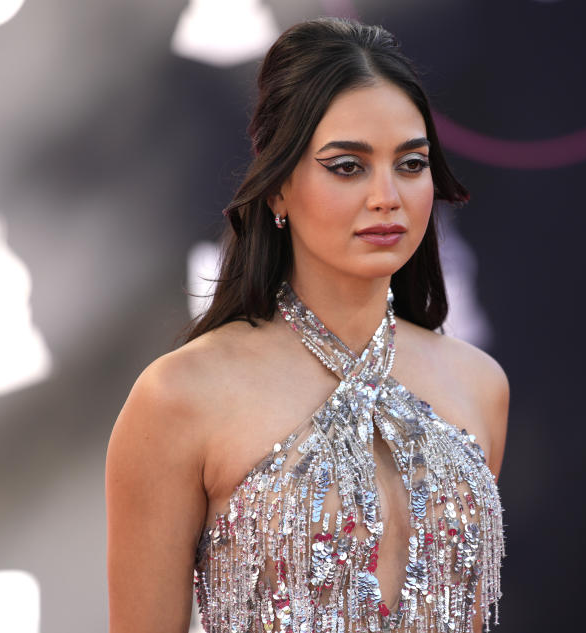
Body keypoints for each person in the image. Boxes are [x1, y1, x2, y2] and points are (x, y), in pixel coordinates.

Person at [105, 17, 509, 633]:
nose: (387, 196)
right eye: (347, 166)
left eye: (410, 163)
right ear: (277, 190)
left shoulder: (478, 385)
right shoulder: (180, 399)